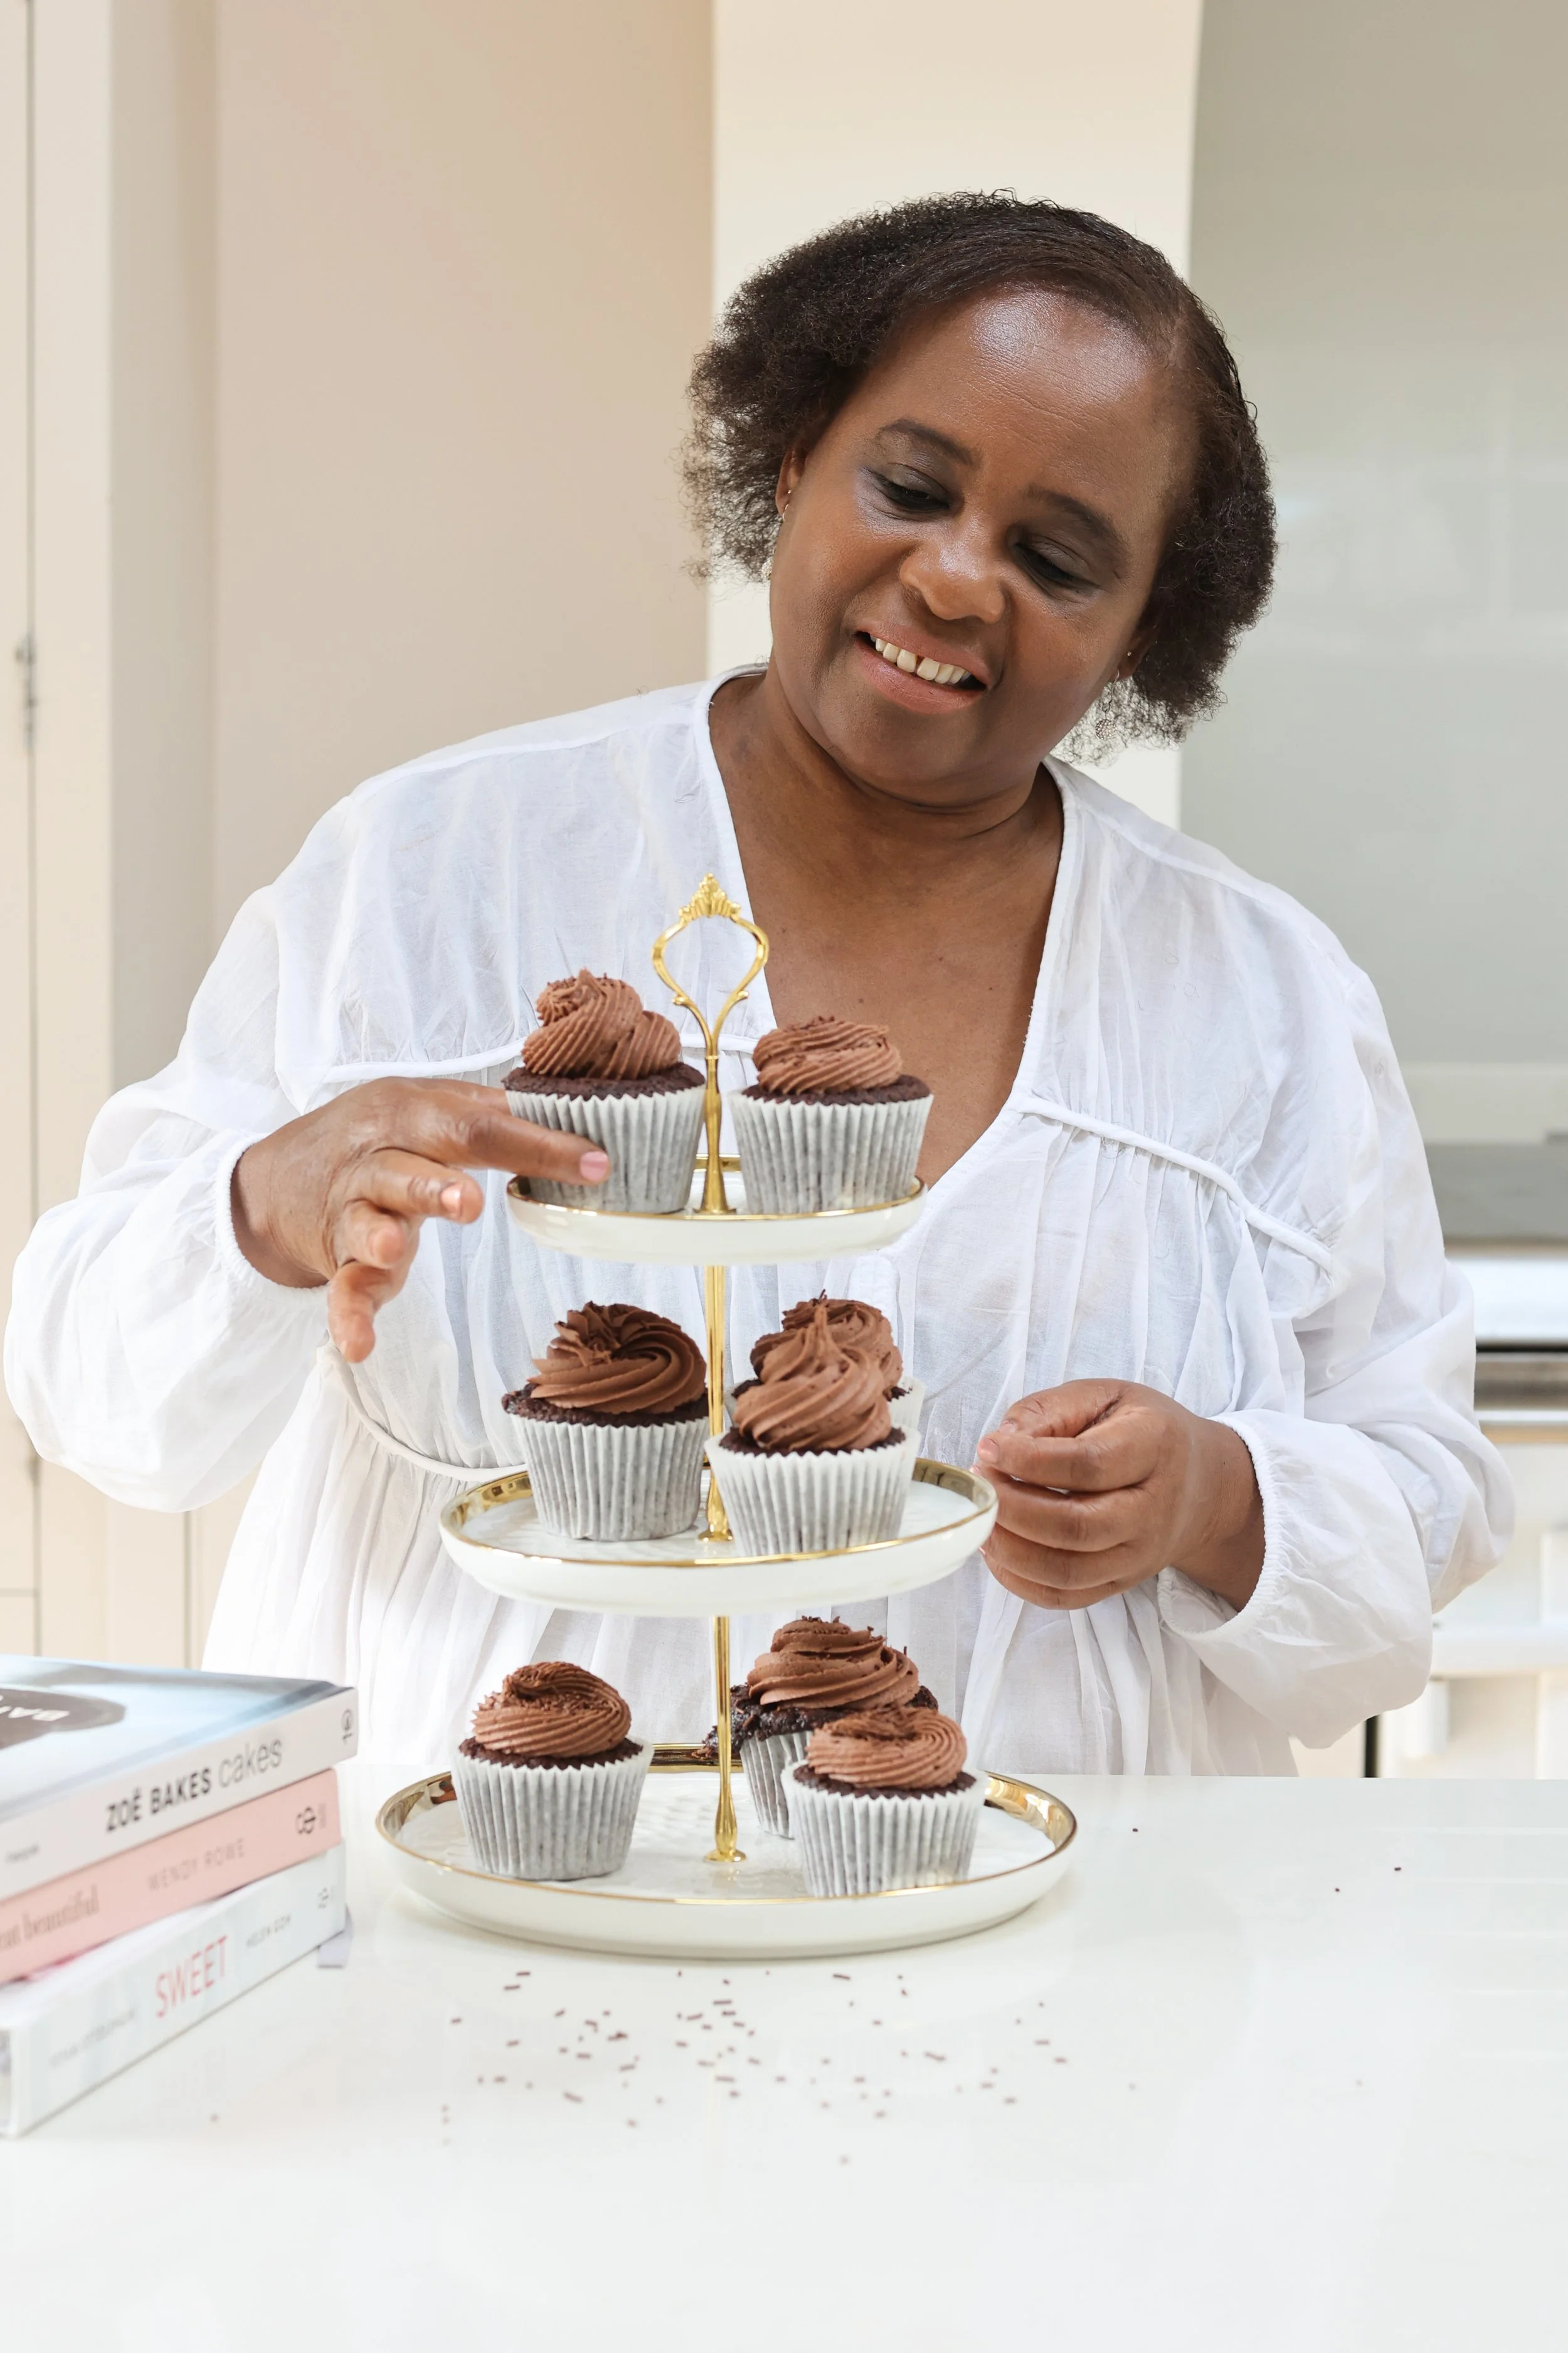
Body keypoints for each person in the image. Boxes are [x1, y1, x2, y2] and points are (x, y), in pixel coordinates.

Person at [5, 194, 1508, 1778]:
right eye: (909, 486)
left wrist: (1216, 1498)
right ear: (793, 460)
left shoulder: (1260, 994)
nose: (954, 581)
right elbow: (94, 1396)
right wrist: (259, 1211)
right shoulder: (428, 868)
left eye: (1058, 560)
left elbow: (1425, 1494)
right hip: (461, 1928)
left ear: (1142, 634)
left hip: (1067, 1959)